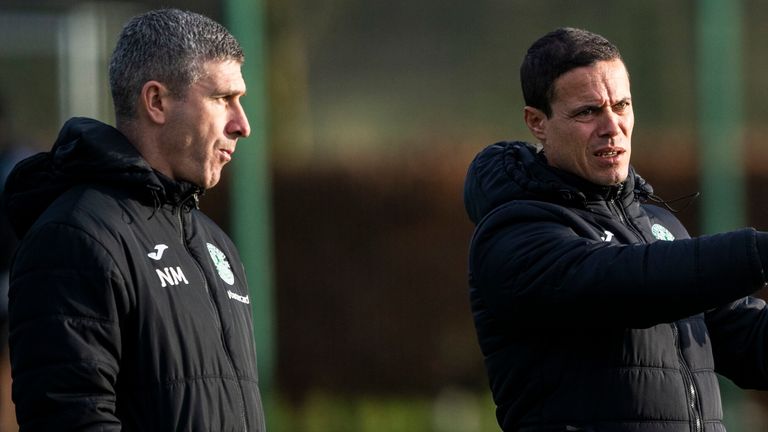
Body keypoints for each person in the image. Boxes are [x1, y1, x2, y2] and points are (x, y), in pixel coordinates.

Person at [464, 27, 768, 431]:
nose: (612, 126)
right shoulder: (514, 233)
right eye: (588, 112)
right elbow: (632, 283)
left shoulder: (659, 225)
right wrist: (760, 252)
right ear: (537, 122)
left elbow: (748, 342)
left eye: (622, 105)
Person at [2, 9, 265, 431]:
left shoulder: (215, 245)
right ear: (156, 101)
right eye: (222, 98)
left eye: (241, 100)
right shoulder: (74, 237)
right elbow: (72, 418)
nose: (242, 125)